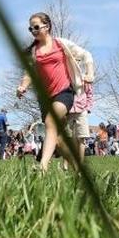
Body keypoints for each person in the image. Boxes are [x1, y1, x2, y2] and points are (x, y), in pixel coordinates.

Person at [16, 12, 95, 170]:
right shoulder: (34, 52)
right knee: (57, 138)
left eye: (37, 27)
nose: (34, 31)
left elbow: (86, 55)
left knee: (51, 121)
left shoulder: (60, 44)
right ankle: (75, 166)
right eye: (30, 28)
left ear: (47, 26)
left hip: (64, 92)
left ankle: (43, 166)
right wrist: (23, 86)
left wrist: (90, 73)